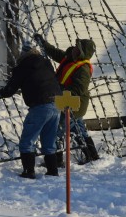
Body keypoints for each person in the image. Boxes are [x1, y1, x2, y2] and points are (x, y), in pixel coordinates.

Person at [0, 41, 62, 179]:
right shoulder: (46, 63)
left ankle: (29, 171)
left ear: (23, 53)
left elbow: (11, 88)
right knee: (49, 140)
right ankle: (53, 171)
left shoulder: (22, 67)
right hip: (56, 104)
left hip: (40, 105)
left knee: (27, 141)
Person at [33, 33, 99, 164]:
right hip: (67, 102)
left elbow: (78, 89)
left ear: (82, 52)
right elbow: (54, 52)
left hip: (73, 104)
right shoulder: (69, 58)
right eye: (75, 46)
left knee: (56, 129)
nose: (74, 48)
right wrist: (43, 43)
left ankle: (56, 161)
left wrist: (59, 89)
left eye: (77, 48)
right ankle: (92, 155)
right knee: (78, 129)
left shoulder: (83, 69)